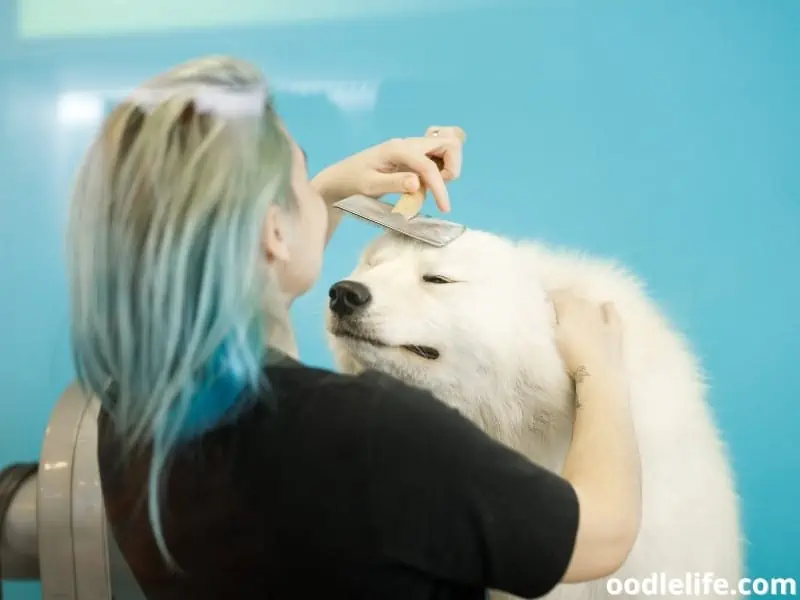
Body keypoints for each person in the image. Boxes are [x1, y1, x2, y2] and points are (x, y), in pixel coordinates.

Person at [66, 56, 641, 600]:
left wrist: (332, 190)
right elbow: (603, 535)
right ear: (272, 233)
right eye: (302, 180)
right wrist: (601, 370)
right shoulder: (370, 434)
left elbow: (242, 278)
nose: (318, 194)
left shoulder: (131, 411)